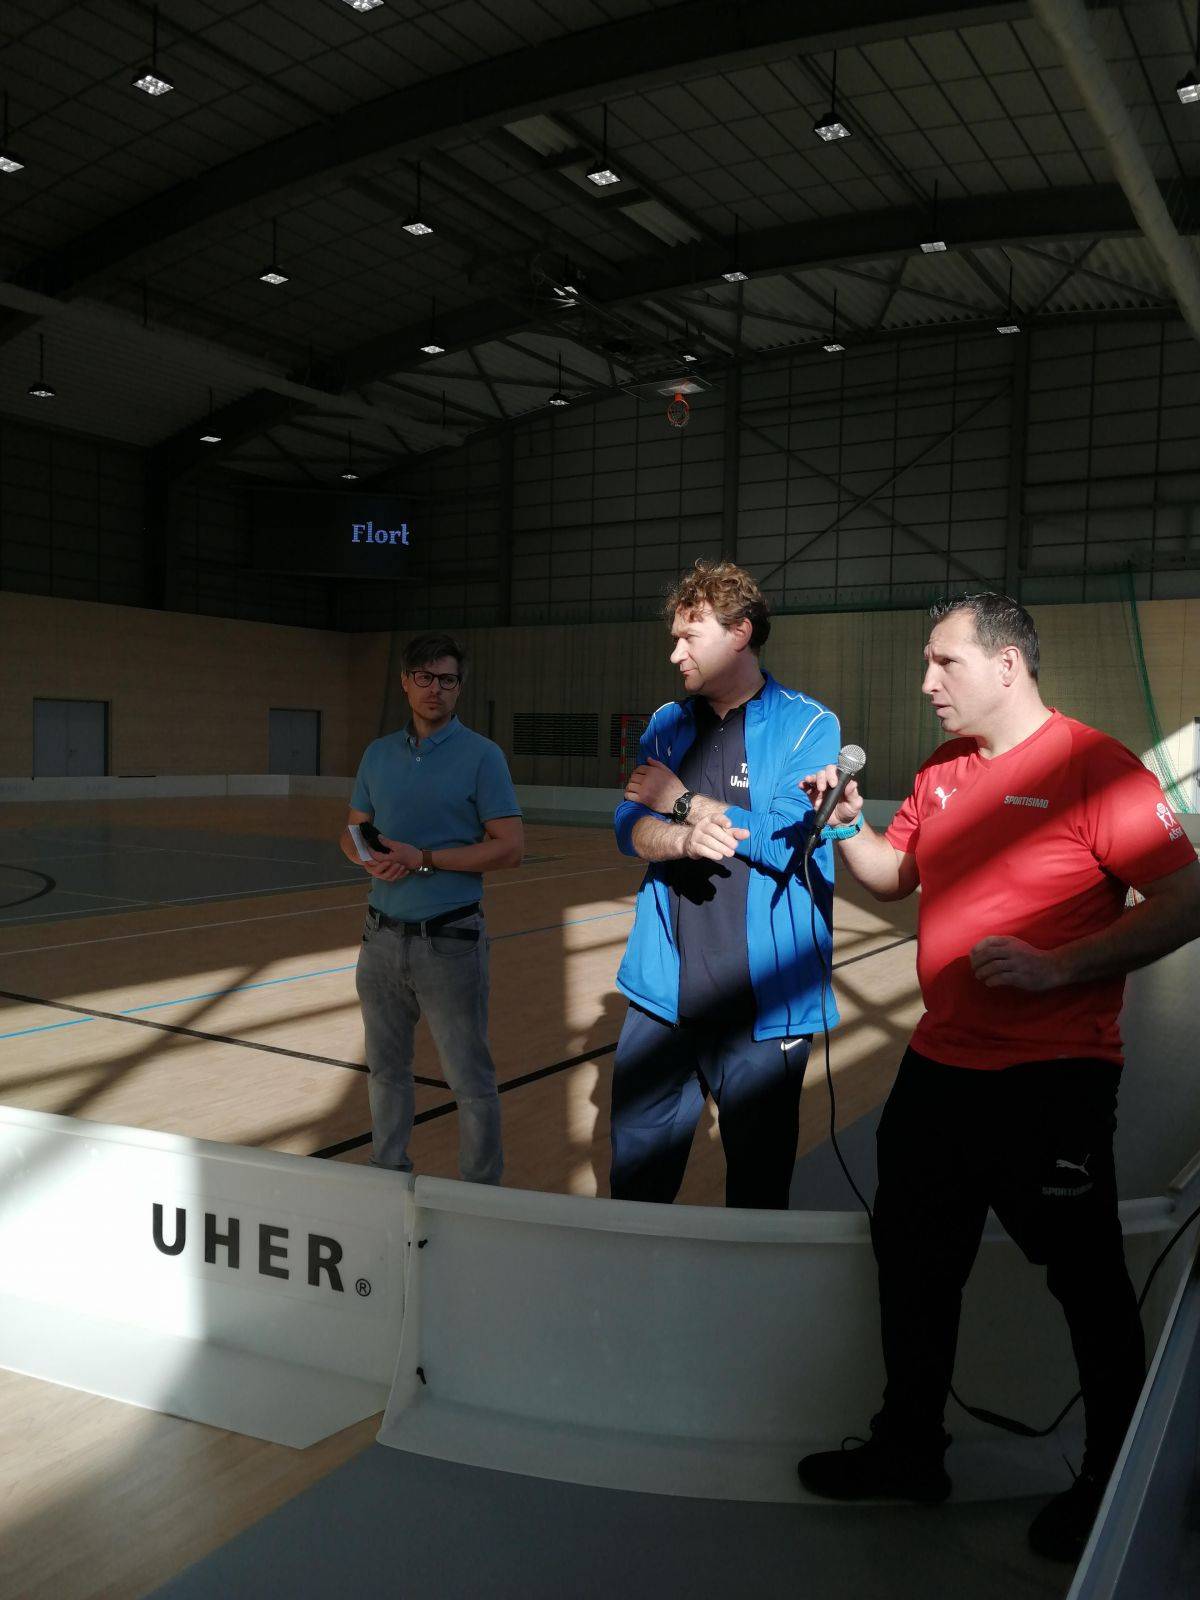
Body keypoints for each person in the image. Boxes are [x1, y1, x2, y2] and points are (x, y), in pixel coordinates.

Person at [795, 593, 1200, 1563]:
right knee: (913, 1264)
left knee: (1086, 1281)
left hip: (1053, 1081)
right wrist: (847, 826)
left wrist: (1063, 968)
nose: (926, 683)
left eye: (945, 663)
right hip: (940, 1068)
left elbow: (1188, 899)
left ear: (1008, 665)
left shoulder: (1094, 768)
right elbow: (893, 877)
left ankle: (1110, 1476)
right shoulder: (942, 770)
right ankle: (909, 1449)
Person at [610, 559, 841, 1209]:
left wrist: (682, 803)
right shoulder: (667, 723)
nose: (675, 652)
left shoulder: (808, 725)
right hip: (662, 999)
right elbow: (628, 825)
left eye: (690, 636)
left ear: (740, 633)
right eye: (675, 637)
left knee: (757, 1195)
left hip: (764, 1013)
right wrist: (680, 839)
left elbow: (789, 841)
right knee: (636, 1189)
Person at [341, 632, 523, 1183]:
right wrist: (368, 859)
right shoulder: (377, 755)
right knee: (385, 1070)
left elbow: (510, 848)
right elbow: (352, 832)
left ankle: (481, 1193)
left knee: (469, 1080)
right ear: (405, 682)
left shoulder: (482, 756)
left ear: (459, 687)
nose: (435, 689)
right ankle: (387, 1171)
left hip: (449, 942)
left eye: (447, 679)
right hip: (380, 940)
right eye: (424, 677)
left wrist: (424, 860)